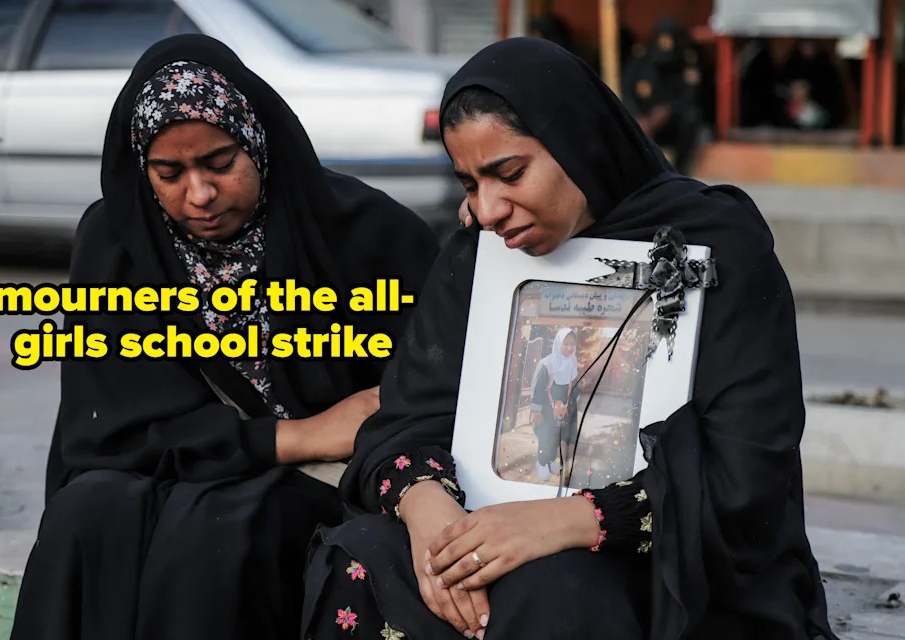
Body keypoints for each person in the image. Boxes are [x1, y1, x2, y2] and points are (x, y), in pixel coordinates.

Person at [302, 37, 837, 640]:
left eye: (509, 174)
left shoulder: (714, 247)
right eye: (469, 184)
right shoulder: (478, 257)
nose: (488, 209)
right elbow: (407, 418)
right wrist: (430, 512)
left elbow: (746, 475)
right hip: (485, 527)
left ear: (577, 143)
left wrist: (562, 522)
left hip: (663, 557)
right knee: (364, 551)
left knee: (553, 585)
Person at [9, 34, 439, 639]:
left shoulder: (365, 234)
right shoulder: (117, 241)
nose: (200, 196)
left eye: (219, 163)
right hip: (187, 464)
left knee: (224, 525)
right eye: (169, 173)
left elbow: (425, 395)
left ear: (258, 142)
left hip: (318, 486)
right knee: (86, 513)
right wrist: (296, 435)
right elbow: (108, 432)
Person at [621, 18, 703, 175]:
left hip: (669, 122)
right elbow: (627, 91)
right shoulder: (641, 59)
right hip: (642, 122)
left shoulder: (685, 61)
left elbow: (690, 96)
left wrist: (668, 111)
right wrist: (638, 116)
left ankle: (680, 172)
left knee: (691, 118)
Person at [530, 327, 579, 482]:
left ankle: (552, 460)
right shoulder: (548, 363)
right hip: (547, 408)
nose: (569, 348)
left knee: (559, 436)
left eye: (572, 344)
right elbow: (539, 388)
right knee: (546, 436)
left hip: (563, 409)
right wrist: (537, 411)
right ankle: (542, 462)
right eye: (565, 344)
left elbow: (574, 385)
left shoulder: (572, 361)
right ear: (558, 344)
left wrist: (572, 404)